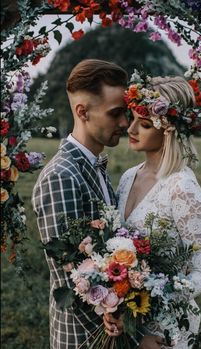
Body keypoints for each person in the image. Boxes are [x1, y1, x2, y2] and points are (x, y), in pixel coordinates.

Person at [105, 72, 201, 349]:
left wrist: (153, 308)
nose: (130, 130)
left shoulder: (182, 187)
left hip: (164, 332)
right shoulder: (129, 176)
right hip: (126, 324)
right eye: (131, 119)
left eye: (143, 124)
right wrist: (112, 304)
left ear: (168, 129)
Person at [32, 59, 132, 349]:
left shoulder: (94, 166)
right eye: (116, 114)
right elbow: (72, 276)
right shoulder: (62, 175)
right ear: (82, 112)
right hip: (83, 337)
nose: (125, 123)